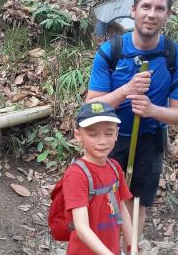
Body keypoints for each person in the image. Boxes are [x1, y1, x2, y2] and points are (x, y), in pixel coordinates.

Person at [86, 0, 178, 240]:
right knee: (102, 202)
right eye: (146, 6)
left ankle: (131, 249)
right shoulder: (112, 51)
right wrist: (127, 91)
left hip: (149, 141)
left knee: (135, 204)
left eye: (159, 8)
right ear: (134, 11)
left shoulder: (175, 56)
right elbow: (91, 108)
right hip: (107, 139)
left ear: (167, 15)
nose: (151, 14)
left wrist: (152, 110)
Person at [62, 102, 134, 255]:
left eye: (108, 133)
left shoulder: (114, 167)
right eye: (93, 134)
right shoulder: (77, 174)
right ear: (78, 135)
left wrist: (132, 245)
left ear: (116, 134)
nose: (102, 141)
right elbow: (81, 229)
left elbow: (122, 210)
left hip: (111, 248)